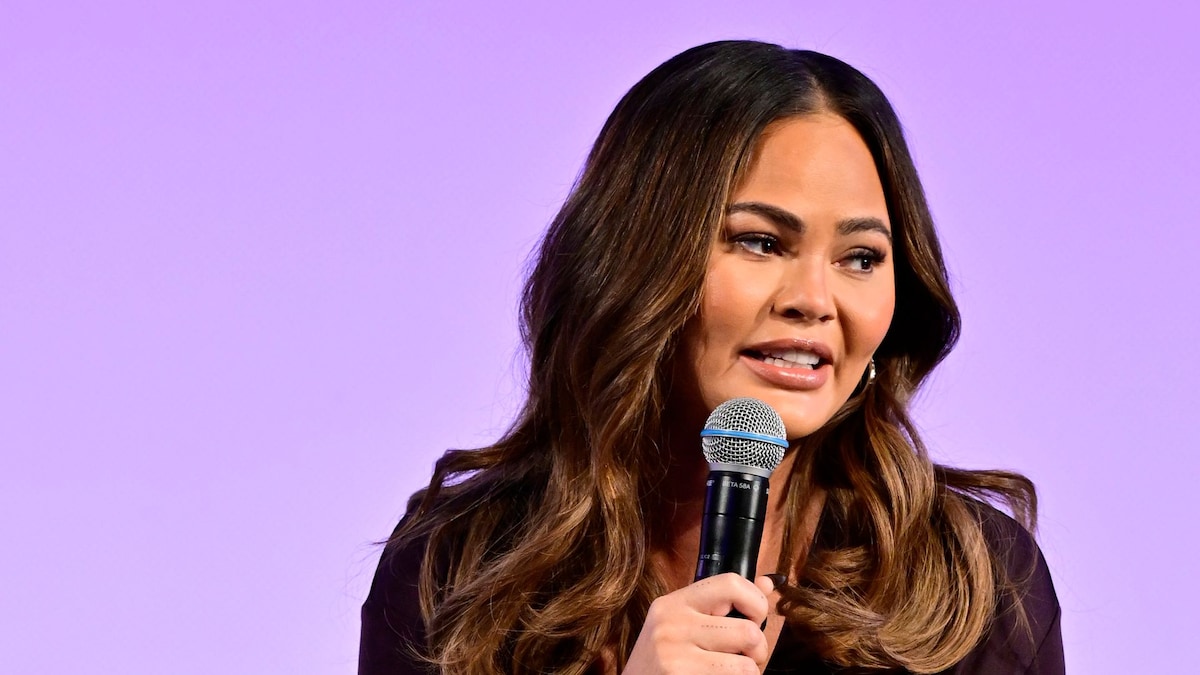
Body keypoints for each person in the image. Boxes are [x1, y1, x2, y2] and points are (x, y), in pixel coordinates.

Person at [359, 40, 1064, 674]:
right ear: (638, 260)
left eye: (860, 257)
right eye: (760, 242)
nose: (814, 300)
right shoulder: (458, 567)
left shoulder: (972, 583)